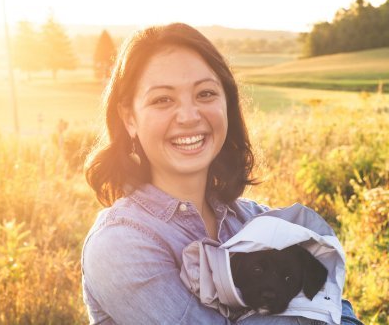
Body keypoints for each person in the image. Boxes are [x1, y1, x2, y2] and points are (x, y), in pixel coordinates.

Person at [81, 23, 363, 324]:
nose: (189, 116)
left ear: (227, 104)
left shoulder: (256, 220)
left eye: (205, 94)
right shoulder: (121, 242)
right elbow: (325, 310)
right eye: (163, 99)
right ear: (129, 118)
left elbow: (340, 312)